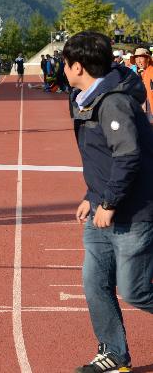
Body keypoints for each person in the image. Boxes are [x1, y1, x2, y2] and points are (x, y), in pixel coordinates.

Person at [63, 31, 153, 373]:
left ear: (78, 66)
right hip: (103, 210)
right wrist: (92, 196)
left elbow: (128, 155)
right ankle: (114, 354)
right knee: (95, 284)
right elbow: (102, 157)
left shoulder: (113, 101)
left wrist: (110, 202)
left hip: (133, 213)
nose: (63, 70)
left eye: (66, 64)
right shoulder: (88, 97)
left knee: (136, 292)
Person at [133, 47, 153, 120]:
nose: (138, 61)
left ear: (148, 59)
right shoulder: (144, 72)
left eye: (141, 58)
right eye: (136, 58)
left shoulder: (151, 71)